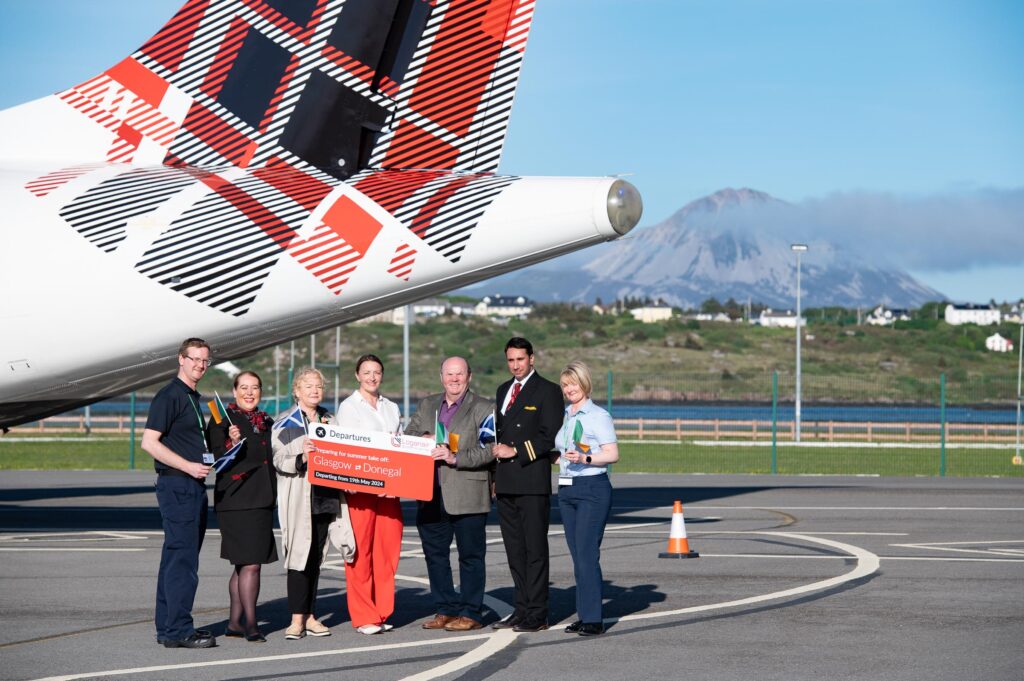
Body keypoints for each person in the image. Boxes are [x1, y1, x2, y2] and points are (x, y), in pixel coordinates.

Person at [405, 357, 496, 631]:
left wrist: (455, 457)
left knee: (470, 557)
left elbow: (490, 449)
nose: (454, 379)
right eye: (449, 374)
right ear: (441, 376)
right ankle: (445, 608)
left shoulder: (484, 407)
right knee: (435, 556)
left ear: (469, 376)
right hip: (430, 492)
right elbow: (408, 435)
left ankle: (471, 612)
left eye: (459, 374)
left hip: (468, 491)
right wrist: (419, 440)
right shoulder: (427, 404)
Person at [141, 337, 217, 649]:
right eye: (194, 359)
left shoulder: (192, 397)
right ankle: (179, 630)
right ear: (180, 359)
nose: (200, 365)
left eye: (204, 361)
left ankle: (169, 628)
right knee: (183, 562)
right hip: (179, 485)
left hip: (190, 485)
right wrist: (188, 466)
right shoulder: (170, 395)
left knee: (176, 559)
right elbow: (149, 442)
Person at [273, 368, 356, 641]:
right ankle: (297, 619)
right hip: (299, 496)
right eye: (308, 386)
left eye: (318, 386)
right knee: (299, 557)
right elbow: (278, 459)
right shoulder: (286, 421)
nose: (314, 390)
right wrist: (302, 456)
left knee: (316, 559)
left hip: (326, 496)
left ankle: (310, 615)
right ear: (297, 390)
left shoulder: (330, 419)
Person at [491, 337, 564, 632]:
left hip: (532, 480)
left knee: (535, 551)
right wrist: (494, 477)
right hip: (506, 482)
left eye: (520, 359)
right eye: (511, 360)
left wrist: (517, 451)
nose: (516, 365)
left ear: (532, 358)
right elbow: (497, 433)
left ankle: (537, 612)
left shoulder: (548, 391)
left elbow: (550, 437)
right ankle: (521, 608)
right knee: (514, 551)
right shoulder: (502, 390)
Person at [205, 371, 277, 643]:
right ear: (234, 392)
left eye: (254, 388)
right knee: (251, 565)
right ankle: (251, 623)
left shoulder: (266, 420)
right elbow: (214, 457)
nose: (249, 393)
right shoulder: (222, 419)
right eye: (243, 388)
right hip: (237, 500)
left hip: (262, 499)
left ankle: (235, 622)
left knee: (243, 565)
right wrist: (231, 442)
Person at [334, 354, 403, 635]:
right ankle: (364, 616)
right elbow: (350, 447)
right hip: (361, 489)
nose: (372, 377)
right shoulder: (349, 407)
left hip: (390, 489)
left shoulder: (391, 407)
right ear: (357, 375)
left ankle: (381, 610)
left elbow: (398, 445)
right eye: (366, 372)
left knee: (387, 552)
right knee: (360, 553)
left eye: (376, 372)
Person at [553, 361, 619, 637]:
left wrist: (585, 458)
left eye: (574, 384)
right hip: (568, 489)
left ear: (585, 384)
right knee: (578, 555)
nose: (569, 389)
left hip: (592, 487)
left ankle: (594, 618)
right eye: (566, 385)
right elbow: (563, 448)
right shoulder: (568, 414)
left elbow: (612, 453)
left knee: (587, 554)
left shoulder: (598, 415)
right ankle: (585, 614)